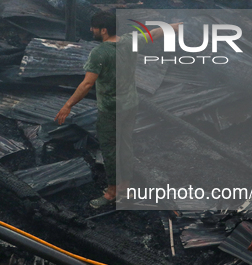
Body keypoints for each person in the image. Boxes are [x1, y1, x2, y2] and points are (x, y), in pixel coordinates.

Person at [54, 11, 180, 208]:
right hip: (130, 104)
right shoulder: (131, 40)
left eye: (94, 28)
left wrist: (67, 105)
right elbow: (155, 33)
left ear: (103, 30)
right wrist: (176, 26)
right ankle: (126, 186)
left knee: (111, 150)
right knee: (125, 143)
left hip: (111, 109)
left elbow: (87, 85)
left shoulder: (99, 53)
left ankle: (112, 192)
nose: (91, 30)